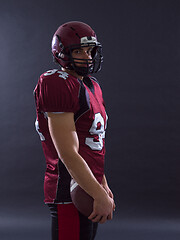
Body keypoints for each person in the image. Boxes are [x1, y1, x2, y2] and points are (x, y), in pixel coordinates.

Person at [34, 21, 115, 240]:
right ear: (62, 53)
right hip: (67, 189)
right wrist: (97, 192)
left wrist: (102, 184)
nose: (87, 57)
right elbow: (67, 152)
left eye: (89, 50)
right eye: (79, 51)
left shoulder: (91, 85)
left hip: (88, 183)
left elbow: (91, 145)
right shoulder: (57, 83)